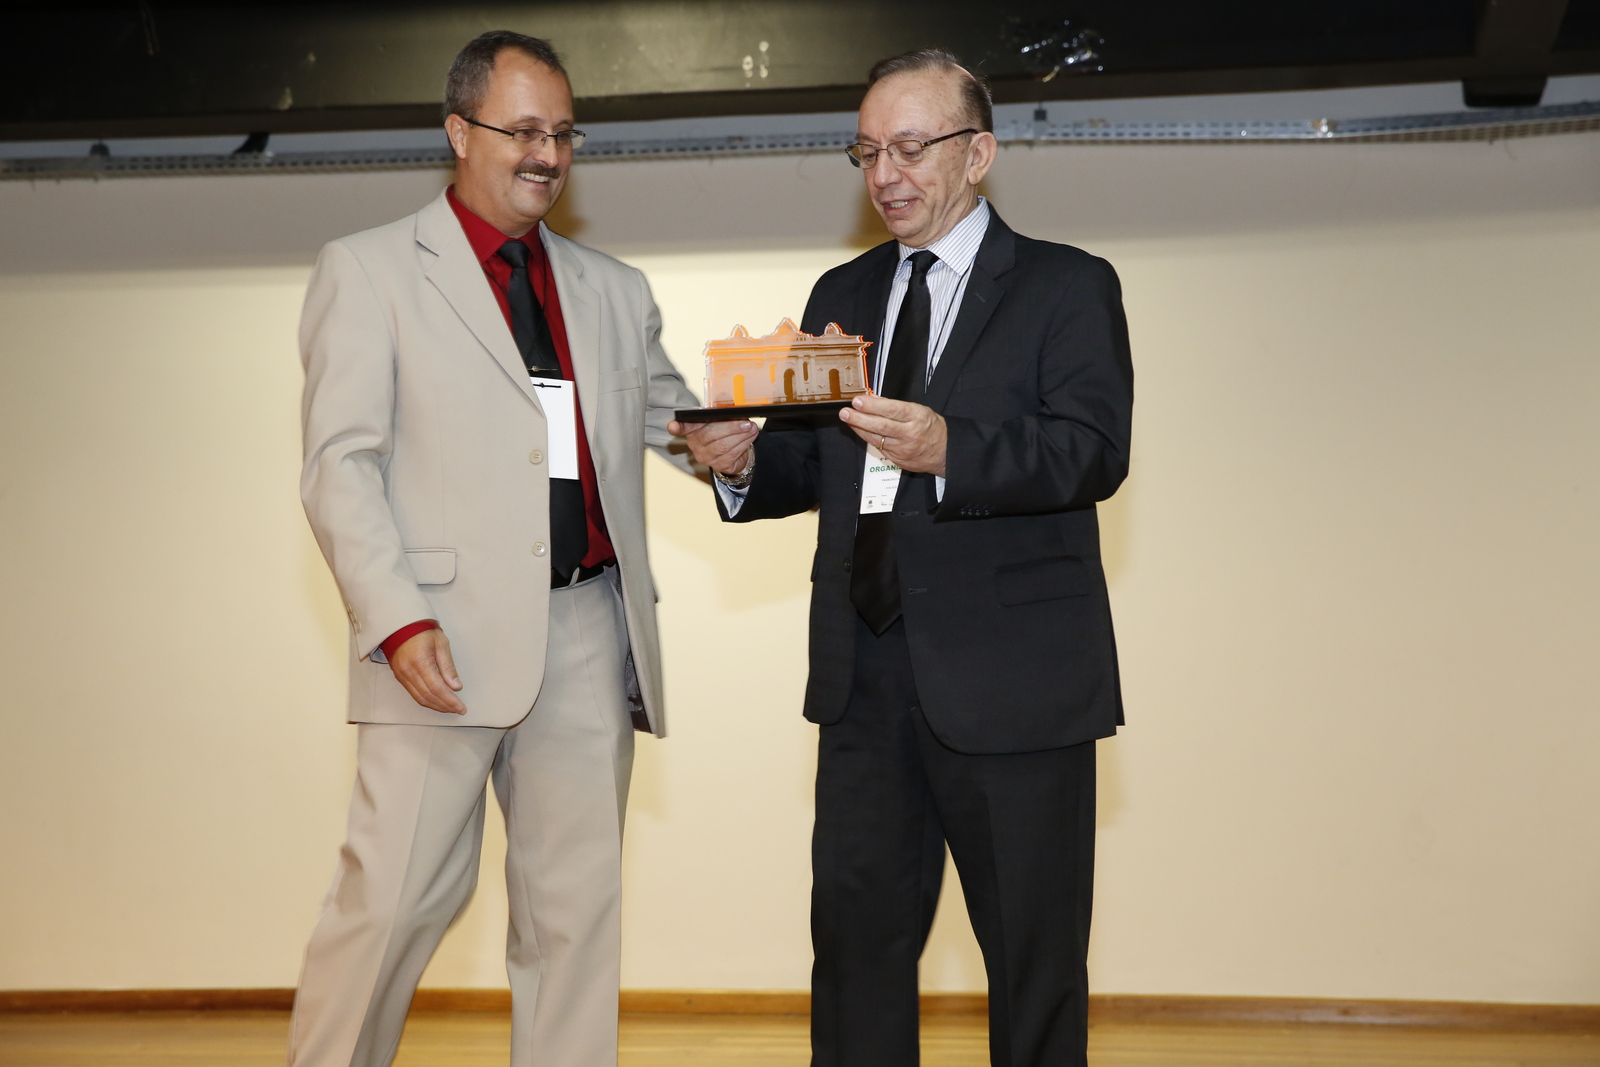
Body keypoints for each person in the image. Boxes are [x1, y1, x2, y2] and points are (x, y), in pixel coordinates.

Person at [671, 49, 1133, 1067]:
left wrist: (951, 447)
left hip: (1013, 685)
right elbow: (813, 463)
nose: (885, 174)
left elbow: (1093, 451)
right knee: (854, 956)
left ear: (979, 153)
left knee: (1033, 963)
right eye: (868, 151)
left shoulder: (1066, 284)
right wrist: (739, 462)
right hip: (863, 675)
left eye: (911, 148)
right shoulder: (842, 289)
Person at [290, 30, 697, 1067]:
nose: (546, 154)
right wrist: (398, 618)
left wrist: (746, 432)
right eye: (522, 130)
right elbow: (340, 465)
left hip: (588, 632)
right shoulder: (369, 270)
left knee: (573, 925)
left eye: (562, 133)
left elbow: (679, 423)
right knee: (387, 909)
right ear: (458, 132)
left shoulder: (613, 288)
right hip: (437, 644)